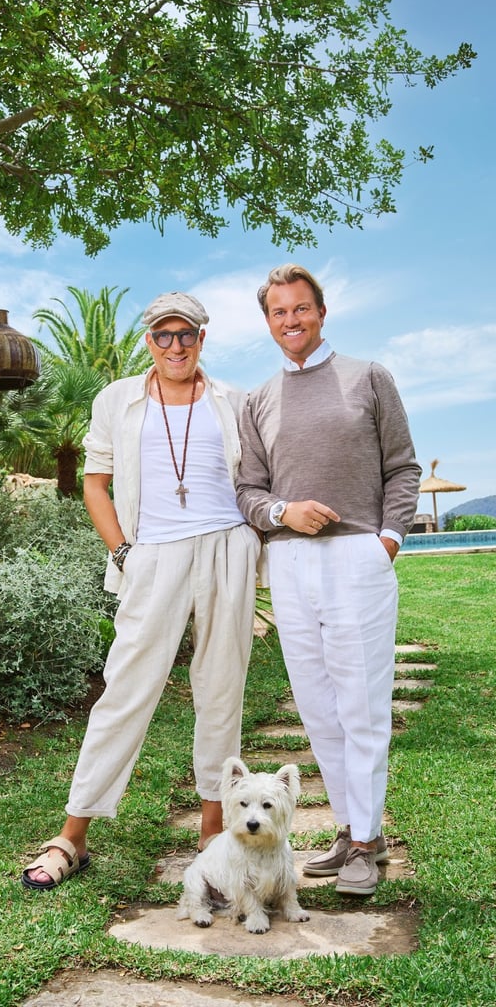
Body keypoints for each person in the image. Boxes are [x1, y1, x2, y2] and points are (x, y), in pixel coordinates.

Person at [22, 291, 262, 890]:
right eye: (163, 335)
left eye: (186, 335)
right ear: (149, 340)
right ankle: (72, 836)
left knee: (221, 690)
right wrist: (124, 552)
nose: (175, 346)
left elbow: (258, 480)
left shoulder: (235, 400)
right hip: (153, 554)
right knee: (125, 690)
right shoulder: (117, 400)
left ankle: (213, 835)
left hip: (228, 549)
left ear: (202, 339)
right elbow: (95, 484)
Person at [235, 263, 421, 896]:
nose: (291, 320)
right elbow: (249, 490)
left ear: (321, 311)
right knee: (317, 708)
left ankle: (367, 842)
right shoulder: (259, 400)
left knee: (361, 705)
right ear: (268, 322)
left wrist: (387, 540)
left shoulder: (369, 377)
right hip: (289, 563)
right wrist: (283, 513)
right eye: (279, 312)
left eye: (301, 308)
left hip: (357, 559)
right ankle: (350, 830)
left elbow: (403, 467)